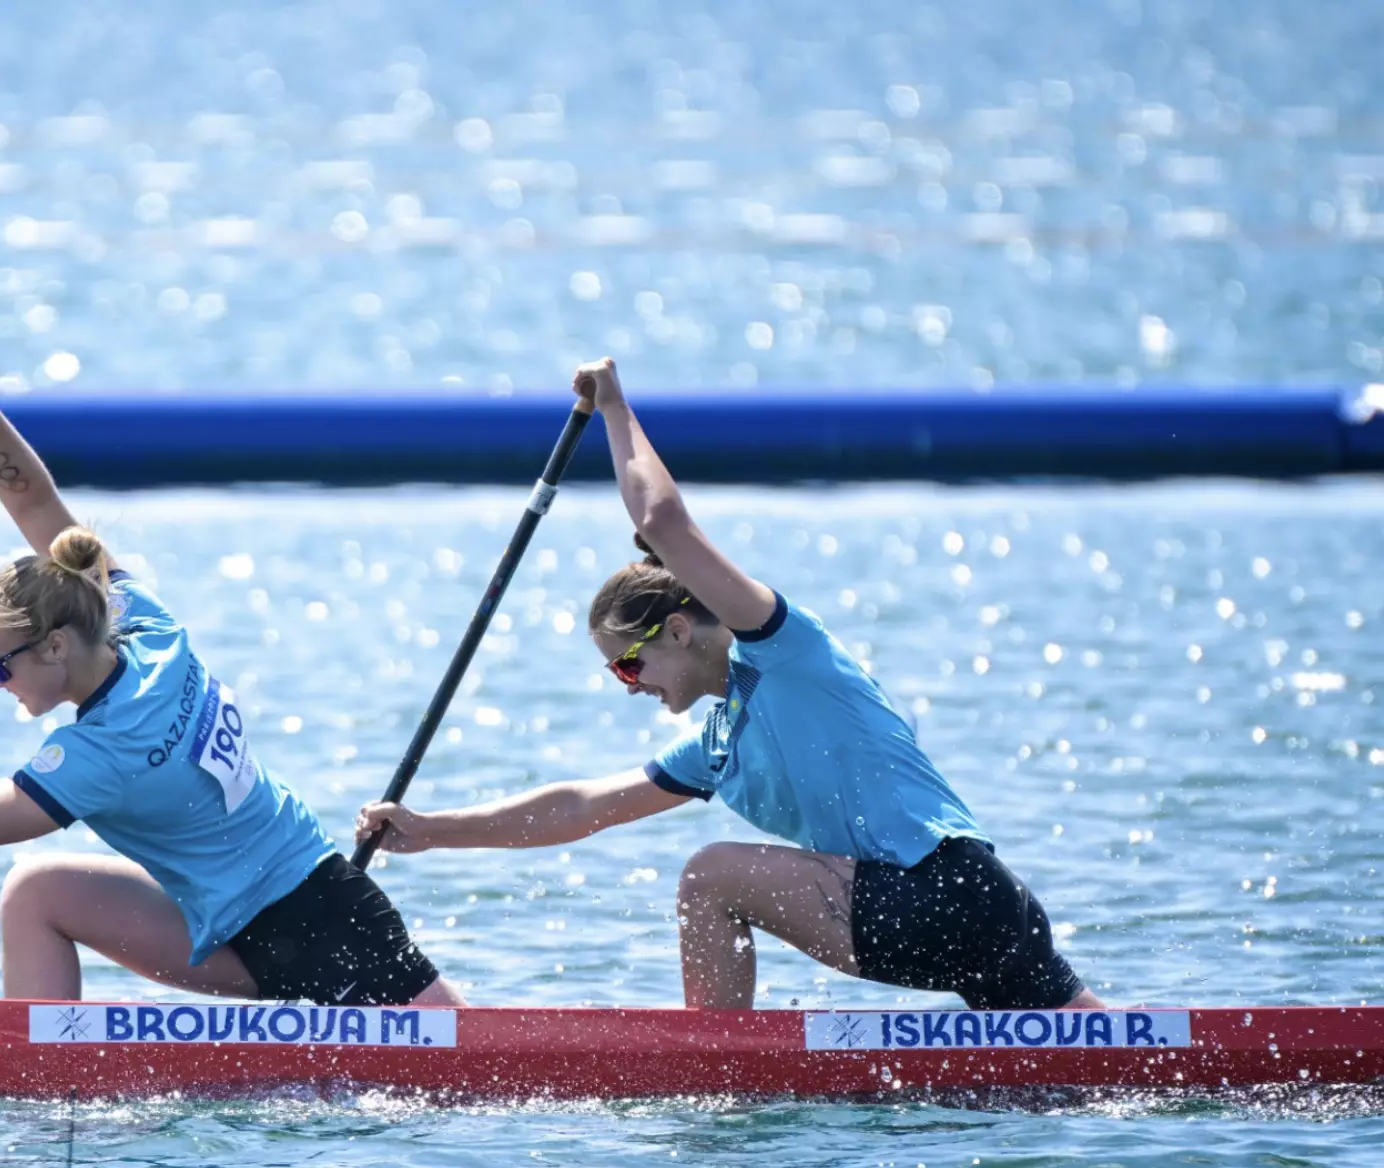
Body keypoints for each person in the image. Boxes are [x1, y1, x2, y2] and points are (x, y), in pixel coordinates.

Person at [0, 351, 462, 1008]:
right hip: (273, 915)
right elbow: (33, 504)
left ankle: (46, 1076)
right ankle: (44, 1084)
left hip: (322, 931)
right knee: (37, 892)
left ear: (56, 648)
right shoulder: (141, 620)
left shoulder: (100, 754)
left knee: (473, 1065)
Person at [357, 358, 1101, 1013]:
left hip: (943, 894)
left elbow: (663, 520)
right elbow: (580, 808)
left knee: (710, 878)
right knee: (1116, 1060)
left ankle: (718, 1078)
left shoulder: (785, 649)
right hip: (988, 910)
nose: (625, 687)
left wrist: (615, 408)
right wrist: (430, 830)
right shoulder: (716, 744)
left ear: (679, 631)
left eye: (628, 664)